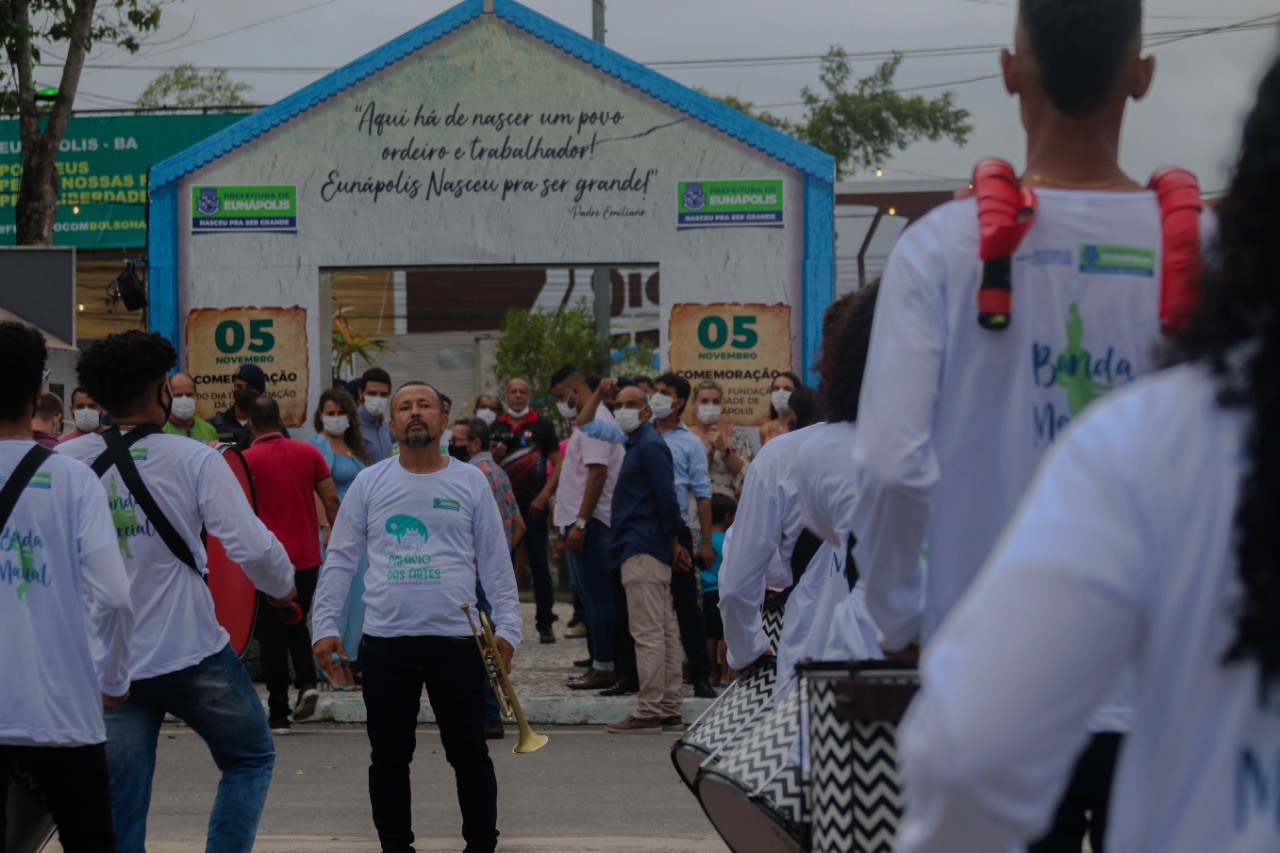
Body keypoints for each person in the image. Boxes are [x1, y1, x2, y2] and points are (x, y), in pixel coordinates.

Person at [850, 0, 1215, 846]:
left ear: (1010, 69)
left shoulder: (941, 251)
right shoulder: (1213, 254)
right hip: (1168, 685)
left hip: (995, 681)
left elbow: (892, 466)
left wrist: (902, 618)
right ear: (1143, 75)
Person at [897, 49, 1280, 853]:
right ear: (1137, 76)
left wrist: (893, 610)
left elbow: (973, 756)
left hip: (1051, 684)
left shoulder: (1157, 440)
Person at [58, 330, 297, 853]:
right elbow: (253, 549)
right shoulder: (196, 459)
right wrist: (283, 592)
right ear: (161, 392)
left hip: (105, 665)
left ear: (97, 396)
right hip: (192, 655)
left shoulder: (65, 463)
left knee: (121, 803)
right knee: (250, 757)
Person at [311, 380, 521, 853]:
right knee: (388, 757)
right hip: (386, 643)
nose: (415, 412)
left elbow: (496, 563)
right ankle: (395, 846)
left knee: (469, 753)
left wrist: (508, 629)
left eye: (425, 404)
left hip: (458, 642)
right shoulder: (370, 482)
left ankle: (482, 844)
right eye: (404, 407)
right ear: (394, 422)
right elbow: (341, 559)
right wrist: (323, 626)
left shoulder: (470, 481)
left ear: (444, 419)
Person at [0, 320, 134, 852]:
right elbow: (115, 596)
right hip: (64, 714)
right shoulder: (73, 479)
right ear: (40, 393)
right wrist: (114, 677)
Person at [243, 395, 341, 734]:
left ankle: (279, 714)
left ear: (251, 424)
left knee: (271, 634)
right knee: (297, 622)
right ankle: (308, 683)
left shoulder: (246, 461)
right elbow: (330, 499)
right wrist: (338, 539)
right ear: (280, 420)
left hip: (266, 561)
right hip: (306, 557)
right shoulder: (308, 453)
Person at [603, 384, 687, 733]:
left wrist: (674, 540)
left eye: (631, 404)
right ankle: (668, 706)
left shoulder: (649, 446)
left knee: (648, 632)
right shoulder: (640, 445)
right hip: (647, 546)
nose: (623, 410)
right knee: (664, 630)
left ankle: (650, 708)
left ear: (646, 411)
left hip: (642, 547)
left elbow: (667, 497)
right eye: (619, 404)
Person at [451, 415, 526, 738]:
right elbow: (519, 526)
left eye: (456, 440)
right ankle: (491, 711)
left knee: (478, 646)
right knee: (489, 643)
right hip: (491, 573)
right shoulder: (499, 472)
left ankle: (488, 714)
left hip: (475, 575)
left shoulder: (472, 477)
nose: (451, 446)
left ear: (475, 444)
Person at [551, 366, 623, 689]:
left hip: (591, 523)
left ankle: (605, 665)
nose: (559, 404)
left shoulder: (596, 423)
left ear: (575, 392)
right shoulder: (584, 423)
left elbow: (597, 475)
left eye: (559, 397)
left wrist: (580, 522)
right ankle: (600, 663)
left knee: (598, 599)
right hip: (579, 523)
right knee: (591, 598)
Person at [652, 373, 717, 698]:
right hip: (644, 532)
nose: (657, 398)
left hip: (677, 530)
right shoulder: (639, 435)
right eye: (655, 392)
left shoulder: (690, 442)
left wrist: (705, 542)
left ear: (678, 402)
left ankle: (701, 675)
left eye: (664, 393)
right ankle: (635, 676)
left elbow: (703, 495)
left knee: (688, 606)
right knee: (643, 607)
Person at [310, 388, 372, 683]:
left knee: (359, 599)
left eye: (339, 413)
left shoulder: (355, 448)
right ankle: (331, 663)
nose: (334, 419)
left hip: (360, 535)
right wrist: (325, 527)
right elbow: (315, 490)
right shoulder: (319, 443)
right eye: (329, 413)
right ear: (320, 415)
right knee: (337, 598)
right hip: (333, 533)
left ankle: (349, 658)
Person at [498, 377, 563, 644]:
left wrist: (544, 496)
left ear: (529, 395)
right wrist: (496, 454)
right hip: (502, 509)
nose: (517, 396)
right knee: (500, 566)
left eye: (522, 391)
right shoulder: (495, 426)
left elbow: (558, 463)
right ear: (506, 395)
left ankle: (545, 622)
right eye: (512, 391)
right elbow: (484, 466)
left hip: (534, 506)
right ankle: (499, 624)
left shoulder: (543, 425)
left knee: (539, 565)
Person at [687, 380, 752, 497]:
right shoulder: (684, 435)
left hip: (727, 507)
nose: (710, 406)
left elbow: (748, 476)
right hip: (691, 505)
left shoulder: (735, 433)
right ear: (693, 404)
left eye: (715, 402)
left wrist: (725, 450)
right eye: (704, 401)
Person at [702, 494, 736, 687]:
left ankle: (712, 674)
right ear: (727, 516)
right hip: (722, 591)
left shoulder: (703, 541)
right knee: (725, 635)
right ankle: (725, 674)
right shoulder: (726, 540)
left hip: (707, 592)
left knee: (710, 636)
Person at [210, 364, 271, 450]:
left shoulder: (271, 426)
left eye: (248, 387)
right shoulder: (214, 426)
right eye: (238, 386)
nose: (243, 391)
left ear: (261, 392)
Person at [162, 372, 219, 442]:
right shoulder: (160, 431)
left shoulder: (209, 430)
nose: (184, 400)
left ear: (197, 396)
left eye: (189, 395)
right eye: (178, 395)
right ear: (168, 397)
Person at [358, 366, 395, 463]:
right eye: (372, 393)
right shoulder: (351, 425)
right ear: (361, 393)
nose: (378, 399)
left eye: (383, 395)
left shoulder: (385, 426)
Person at [759, 371, 803, 447]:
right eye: (776, 389)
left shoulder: (803, 428)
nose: (780, 393)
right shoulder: (765, 429)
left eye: (787, 389)